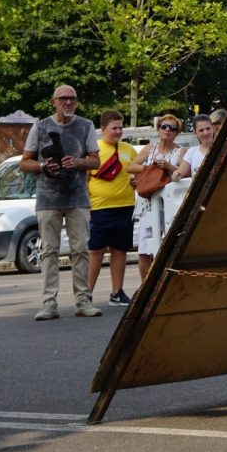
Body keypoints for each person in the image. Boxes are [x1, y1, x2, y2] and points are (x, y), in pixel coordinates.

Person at [21, 85, 102, 319]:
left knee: (81, 249)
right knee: (49, 251)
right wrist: (43, 166)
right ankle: (49, 303)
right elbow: (24, 162)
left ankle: (83, 301)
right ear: (53, 102)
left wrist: (77, 162)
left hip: (77, 197)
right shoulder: (40, 127)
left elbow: (95, 161)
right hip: (48, 198)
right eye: (63, 99)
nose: (68, 102)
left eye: (72, 99)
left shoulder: (86, 125)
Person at [87, 110, 141, 307]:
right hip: (100, 207)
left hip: (125, 206)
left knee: (120, 249)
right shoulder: (93, 151)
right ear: (103, 129)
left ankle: (117, 292)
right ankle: (86, 294)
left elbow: (138, 174)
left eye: (120, 127)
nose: (118, 131)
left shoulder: (129, 150)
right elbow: (84, 178)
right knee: (96, 250)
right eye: (114, 128)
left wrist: (136, 181)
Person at [133, 115, 186, 282]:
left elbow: (186, 173)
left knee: (171, 250)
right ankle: (145, 286)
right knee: (144, 251)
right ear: (158, 129)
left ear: (177, 133)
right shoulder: (150, 148)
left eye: (172, 128)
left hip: (171, 206)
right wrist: (152, 169)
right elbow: (131, 166)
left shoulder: (182, 151)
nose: (167, 130)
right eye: (164, 126)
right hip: (148, 205)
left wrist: (169, 167)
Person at [175, 114, 214, 180]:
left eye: (208, 128)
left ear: (213, 128)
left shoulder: (223, 148)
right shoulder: (191, 151)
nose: (205, 133)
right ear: (195, 133)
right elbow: (179, 175)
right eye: (201, 130)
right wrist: (175, 176)